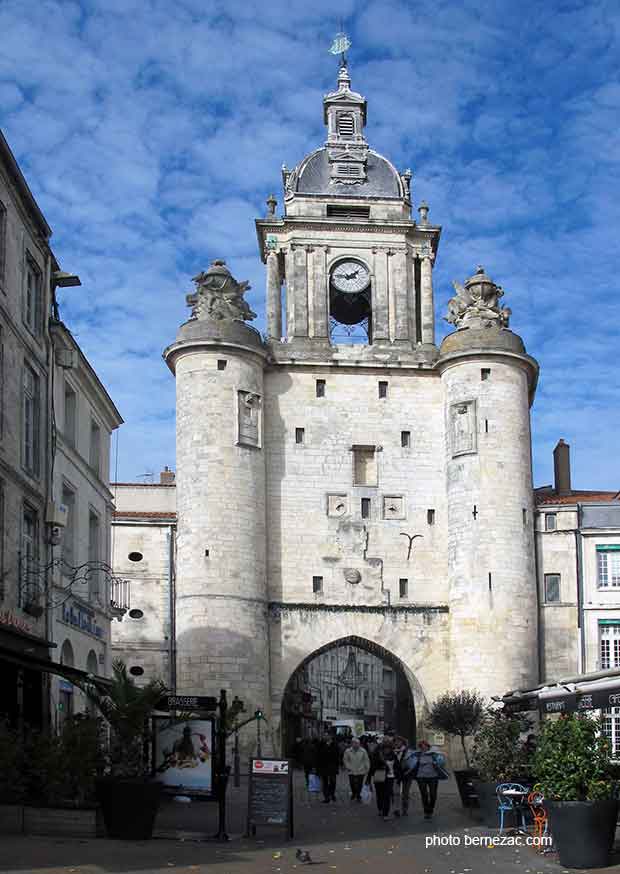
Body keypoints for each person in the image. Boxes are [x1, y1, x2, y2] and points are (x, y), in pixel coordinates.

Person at [410, 739, 448, 819]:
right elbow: (411, 764)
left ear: (428, 746)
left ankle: (431, 809)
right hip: (421, 777)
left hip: (433, 777)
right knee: (424, 794)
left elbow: (442, 762)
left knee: (433, 794)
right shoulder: (418, 754)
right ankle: (426, 812)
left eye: (425, 746)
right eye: (421, 746)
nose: (423, 748)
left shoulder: (434, 754)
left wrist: (438, 761)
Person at [368, 737, 397, 820]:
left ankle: (385, 813)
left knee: (387, 795)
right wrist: (369, 779)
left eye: (388, 747)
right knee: (379, 794)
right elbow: (372, 766)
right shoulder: (377, 753)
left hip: (389, 777)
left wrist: (397, 775)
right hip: (379, 775)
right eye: (385, 747)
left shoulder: (393, 754)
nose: (387, 749)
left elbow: (396, 766)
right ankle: (380, 808)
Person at [393, 735, 416, 817]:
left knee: (405, 793)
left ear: (402, 742)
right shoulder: (393, 751)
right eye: (395, 741)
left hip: (407, 775)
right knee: (395, 793)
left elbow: (413, 764)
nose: (397, 743)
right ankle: (396, 809)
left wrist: (408, 771)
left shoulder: (409, 751)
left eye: (399, 741)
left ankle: (405, 810)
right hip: (397, 775)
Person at [343, 737, 370, 802]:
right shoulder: (348, 751)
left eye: (357, 743)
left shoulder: (363, 751)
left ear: (359, 744)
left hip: (361, 770)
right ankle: (354, 793)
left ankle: (358, 795)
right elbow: (345, 760)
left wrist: (367, 768)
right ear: (352, 744)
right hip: (351, 770)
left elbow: (366, 760)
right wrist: (348, 767)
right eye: (354, 743)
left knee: (359, 784)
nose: (355, 744)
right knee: (352, 783)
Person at [316, 734, 339, 802]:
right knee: (325, 782)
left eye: (327, 735)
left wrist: (337, 764)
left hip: (332, 766)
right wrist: (316, 767)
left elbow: (337, 754)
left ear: (331, 736)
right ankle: (326, 797)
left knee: (333, 781)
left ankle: (332, 794)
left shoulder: (334, 744)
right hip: (323, 766)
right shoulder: (321, 744)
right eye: (324, 735)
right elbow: (317, 755)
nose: (326, 737)